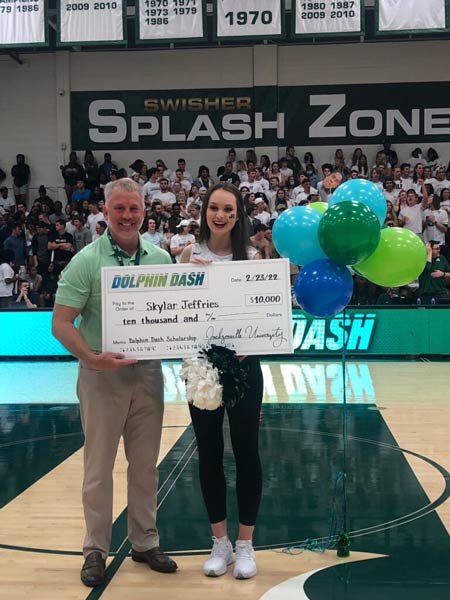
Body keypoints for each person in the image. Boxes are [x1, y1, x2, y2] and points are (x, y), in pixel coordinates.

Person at [52, 178, 177, 587]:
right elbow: (61, 323)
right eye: (119, 208)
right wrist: (90, 357)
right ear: (105, 211)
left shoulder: (160, 259)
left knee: (145, 467)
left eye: (134, 208)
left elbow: (178, 315)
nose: (127, 216)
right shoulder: (86, 261)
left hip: (147, 373)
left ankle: (144, 541)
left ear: (145, 211)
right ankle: (95, 549)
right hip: (100, 376)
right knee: (98, 468)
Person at [180, 182, 263, 580]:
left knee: (247, 453)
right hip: (201, 369)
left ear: (238, 214)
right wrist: (187, 279)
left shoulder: (252, 256)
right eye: (214, 207)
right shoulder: (187, 254)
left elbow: (266, 313)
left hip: (244, 365)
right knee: (209, 454)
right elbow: (175, 310)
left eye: (228, 210)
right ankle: (220, 543)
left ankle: (246, 544)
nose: (221, 215)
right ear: (204, 211)